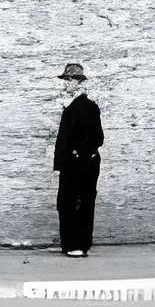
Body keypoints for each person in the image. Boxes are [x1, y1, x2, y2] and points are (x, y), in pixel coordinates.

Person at [53, 60, 103, 257]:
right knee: (66, 202)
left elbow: (97, 137)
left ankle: (79, 244)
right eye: (66, 79)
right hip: (71, 164)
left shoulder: (88, 106)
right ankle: (70, 243)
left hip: (82, 164)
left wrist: (77, 153)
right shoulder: (71, 106)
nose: (67, 83)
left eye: (71, 79)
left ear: (80, 82)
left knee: (79, 201)